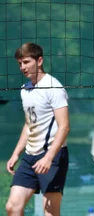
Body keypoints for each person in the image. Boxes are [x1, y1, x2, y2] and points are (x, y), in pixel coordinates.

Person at [5, 43, 70, 216]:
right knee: (13, 207)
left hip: (53, 155)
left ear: (39, 60)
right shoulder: (25, 90)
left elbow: (64, 126)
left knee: (50, 211)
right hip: (30, 156)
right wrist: (16, 153)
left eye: (26, 62)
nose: (22, 67)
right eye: (20, 64)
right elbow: (29, 124)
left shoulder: (53, 87)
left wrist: (49, 157)